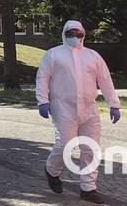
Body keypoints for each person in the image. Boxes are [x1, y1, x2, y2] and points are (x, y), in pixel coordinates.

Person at [36, 20, 121, 204]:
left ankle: (88, 189)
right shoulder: (53, 54)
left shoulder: (93, 56)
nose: (75, 36)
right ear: (64, 33)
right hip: (63, 107)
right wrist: (42, 100)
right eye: (71, 33)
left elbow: (105, 80)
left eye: (78, 33)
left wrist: (114, 104)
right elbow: (42, 77)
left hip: (89, 108)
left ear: (84, 34)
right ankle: (52, 170)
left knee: (91, 148)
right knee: (65, 144)